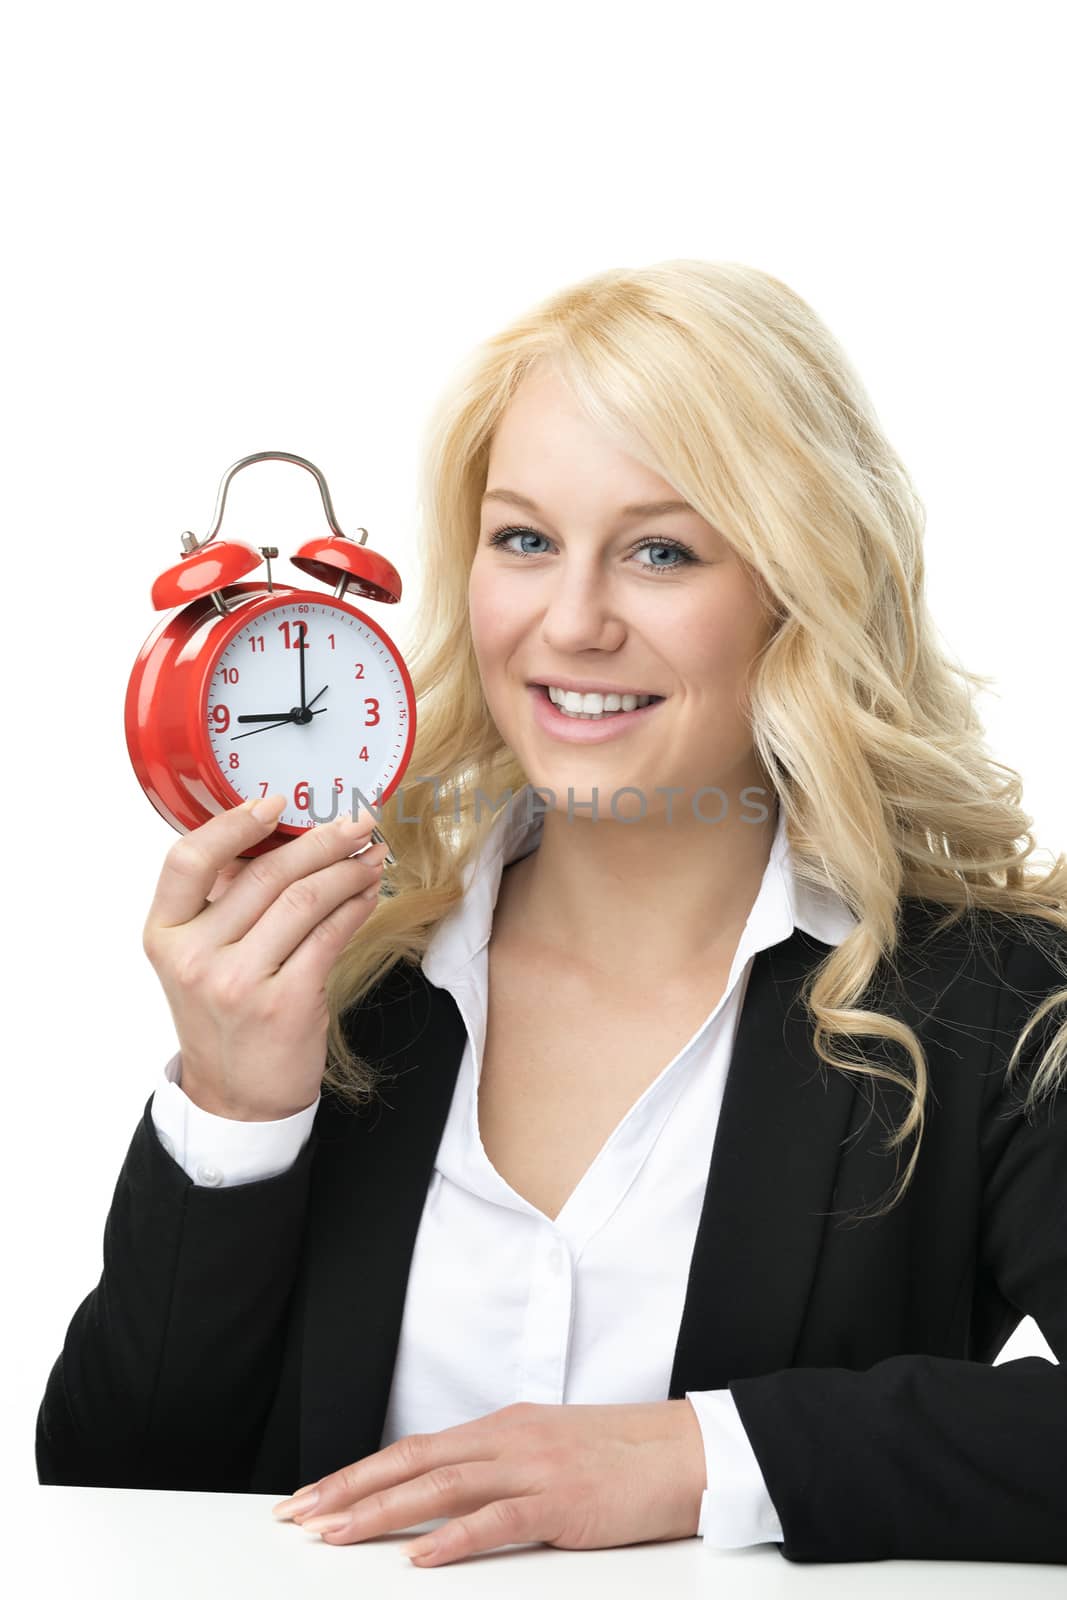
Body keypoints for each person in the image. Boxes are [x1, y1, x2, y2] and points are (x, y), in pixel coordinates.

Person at [37, 259, 1067, 1570]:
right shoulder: (344, 978)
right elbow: (113, 1494)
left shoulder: (992, 1004)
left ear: (798, 589)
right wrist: (235, 1112)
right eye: (524, 540)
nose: (571, 623)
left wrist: (705, 1457)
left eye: (660, 551)